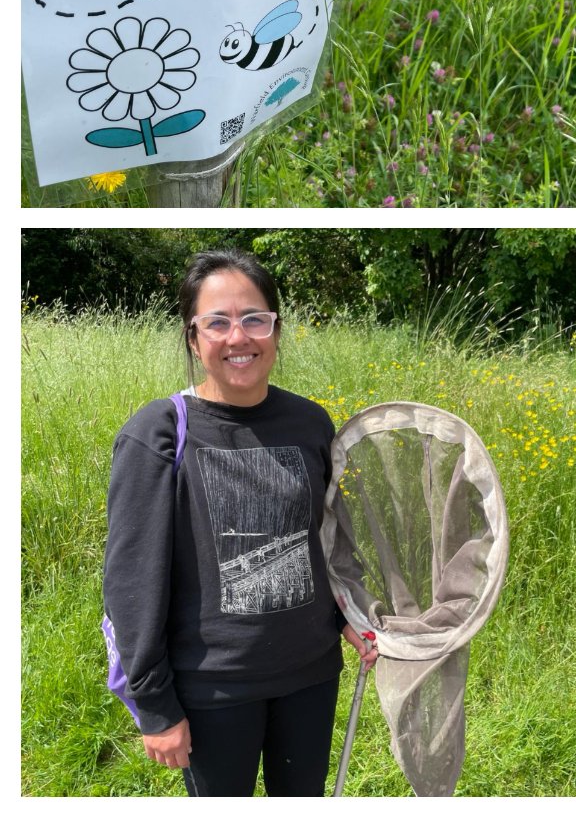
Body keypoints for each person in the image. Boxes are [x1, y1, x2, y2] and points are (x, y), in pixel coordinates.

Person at [103, 249, 378, 796]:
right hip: (212, 690)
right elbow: (132, 581)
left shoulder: (309, 421)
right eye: (218, 322)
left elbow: (325, 538)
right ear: (192, 337)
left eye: (255, 319)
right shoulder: (157, 432)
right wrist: (155, 707)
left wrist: (348, 613)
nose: (239, 338)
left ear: (276, 331)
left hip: (310, 675)